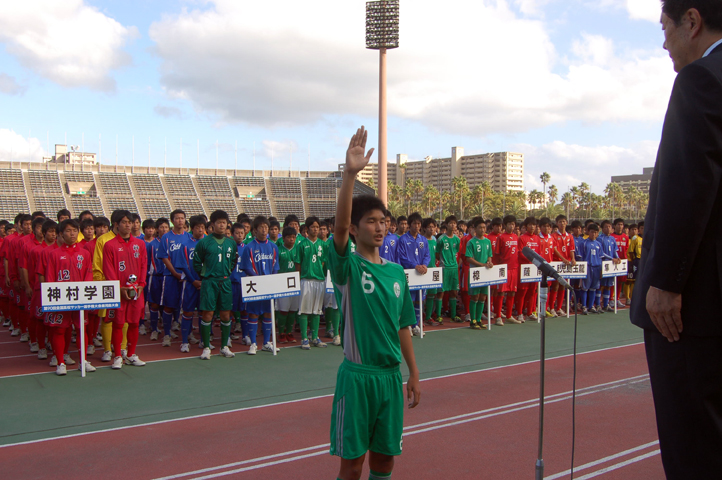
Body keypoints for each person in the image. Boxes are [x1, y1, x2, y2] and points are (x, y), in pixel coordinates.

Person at [630, 3, 722, 477]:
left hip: (696, 311)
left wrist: (665, 282)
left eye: (665, 29)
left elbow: (689, 185)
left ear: (692, 21)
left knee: (696, 448)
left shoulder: (702, 80)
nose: (664, 42)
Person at [329, 126, 419, 480]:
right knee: (352, 465)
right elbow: (337, 229)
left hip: (389, 379)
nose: (380, 228)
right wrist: (350, 175)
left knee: (384, 461)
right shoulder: (347, 266)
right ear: (355, 229)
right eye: (371, 222)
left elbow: (403, 326)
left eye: (384, 222)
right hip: (357, 379)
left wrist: (412, 372)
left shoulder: (397, 273)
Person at [41, 219, 95, 375]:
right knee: (59, 330)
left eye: (74, 230)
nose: (72, 234)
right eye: (68, 231)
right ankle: (60, 362)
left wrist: (85, 294)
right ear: (61, 234)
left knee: (81, 329)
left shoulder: (84, 253)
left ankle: (83, 361)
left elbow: (88, 275)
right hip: (61, 299)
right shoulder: (54, 254)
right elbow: (50, 277)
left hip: (79, 298)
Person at [102, 211, 147, 370]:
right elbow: (108, 269)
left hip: (136, 291)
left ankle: (131, 354)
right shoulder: (110, 245)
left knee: (134, 323)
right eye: (124, 222)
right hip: (119, 292)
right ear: (116, 224)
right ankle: (118, 356)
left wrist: (141, 284)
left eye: (131, 222)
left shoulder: (140, 244)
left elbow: (143, 264)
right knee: (118, 324)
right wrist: (118, 287)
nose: (128, 225)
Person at [193, 210, 238, 360]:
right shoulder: (204, 242)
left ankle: (224, 346)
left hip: (225, 281)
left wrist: (226, 273)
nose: (221, 225)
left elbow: (233, 261)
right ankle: (206, 347)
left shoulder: (231, 242)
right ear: (212, 225)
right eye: (218, 223)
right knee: (208, 314)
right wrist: (205, 275)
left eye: (224, 223)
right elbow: (196, 262)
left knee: (226, 314)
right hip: (209, 282)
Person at [240, 215, 279, 354]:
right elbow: (247, 267)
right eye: (261, 227)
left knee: (268, 313)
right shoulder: (249, 247)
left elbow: (275, 266)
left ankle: (266, 342)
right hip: (255, 285)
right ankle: (254, 344)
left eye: (266, 227)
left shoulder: (274, 247)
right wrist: (259, 280)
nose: (264, 230)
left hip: (268, 285)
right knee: (253, 314)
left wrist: (271, 280)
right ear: (254, 230)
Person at [157, 210, 190, 347]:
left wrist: (187, 274)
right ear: (172, 221)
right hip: (171, 277)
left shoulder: (189, 237)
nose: (180, 221)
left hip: (187, 278)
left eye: (182, 218)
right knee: (169, 306)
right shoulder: (166, 237)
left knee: (187, 308)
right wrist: (175, 273)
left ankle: (187, 336)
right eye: (177, 218)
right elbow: (164, 257)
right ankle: (167, 334)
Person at [396, 212, 430, 336]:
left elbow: (427, 255)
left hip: (421, 274)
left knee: (419, 300)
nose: (417, 226)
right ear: (410, 225)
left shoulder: (423, 240)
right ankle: (408, 325)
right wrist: (414, 266)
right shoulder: (403, 240)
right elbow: (402, 257)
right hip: (410, 274)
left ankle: (416, 325)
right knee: (409, 301)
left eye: (419, 224)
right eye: (414, 223)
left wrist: (424, 265)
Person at [177, 215, 206, 353]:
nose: (201, 230)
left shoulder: (209, 244)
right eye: (198, 227)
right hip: (190, 284)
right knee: (187, 312)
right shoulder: (185, 245)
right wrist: (193, 281)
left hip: (205, 284)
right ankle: (184, 342)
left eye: (203, 227)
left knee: (203, 313)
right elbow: (183, 266)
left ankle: (203, 341)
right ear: (192, 229)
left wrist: (204, 280)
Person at [465, 217, 493, 329]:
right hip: (475, 273)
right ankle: (473, 320)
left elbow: (489, 255)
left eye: (484, 227)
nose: (482, 229)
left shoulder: (487, 241)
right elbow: (468, 258)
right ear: (475, 229)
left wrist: (489, 263)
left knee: (483, 297)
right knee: (475, 296)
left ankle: (479, 319)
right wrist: (482, 265)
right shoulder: (471, 242)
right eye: (480, 227)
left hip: (485, 273)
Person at [494, 215, 520, 324]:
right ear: (505, 225)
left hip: (514, 268)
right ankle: (498, 316)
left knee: (512, 292)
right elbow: (497, 254)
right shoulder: (501, 237)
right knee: (501, 293)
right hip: (504, 269)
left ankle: (509, 316)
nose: (512, 226)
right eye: (509, 224)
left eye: (513, 224)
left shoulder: (516, 237)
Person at [276, 226, 299, 344]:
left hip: (295, 283)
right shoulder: (278, 250)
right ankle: (281, 333)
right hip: (282, 282)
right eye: (289, 237)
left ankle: (289, 332)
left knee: (293, 310)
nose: (291, 239)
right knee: (283, 310)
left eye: (294, 237)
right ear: (283, 238)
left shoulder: (298, 249)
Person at [437, 215, 461, 323]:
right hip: (444, 268)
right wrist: (444, 262)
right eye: (451, 223)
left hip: (454, 268)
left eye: (454, 223)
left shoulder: (457, 239)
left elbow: (456, 252)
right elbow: (437, 253)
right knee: (441, 292)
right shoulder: (441, 238)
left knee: (454, 292)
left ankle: (453, 315)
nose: (453, 225)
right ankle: (438, 315)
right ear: (446, 225)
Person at [421, 218, 439, 325]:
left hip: (433, 270)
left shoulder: (435, 240)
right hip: (424, 271)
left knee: (432, 294)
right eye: (429, 227)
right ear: (424, 228)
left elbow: (437, 254)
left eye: (433, 226)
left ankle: (428, 317)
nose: (431, 229)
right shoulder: (422, 240)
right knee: (422, 295)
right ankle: (421, 317)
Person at [610, 218, 630, 308]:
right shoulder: (611, 236)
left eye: (621, 224)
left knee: (620, 281)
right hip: (613, 261)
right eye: (618, 224)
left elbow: (626, 249)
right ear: (614, 226)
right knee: (612, 281)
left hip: (622, 262)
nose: (620, 226)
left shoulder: (625, 237)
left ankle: (617, 299)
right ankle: (611, 299)